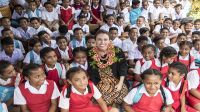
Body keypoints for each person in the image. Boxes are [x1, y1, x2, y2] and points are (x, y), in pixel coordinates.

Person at [87, 30, 128, 105]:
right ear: (95, 40)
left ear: (109, 40)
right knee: (101, 99)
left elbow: (123, 67)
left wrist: (120, 83)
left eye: (105, 39)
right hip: (99, 82)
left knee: (119, 98)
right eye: (99, 39)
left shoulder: (117, 51)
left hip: (117, 81)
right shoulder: (90, 52)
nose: (102, 42)